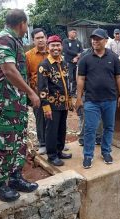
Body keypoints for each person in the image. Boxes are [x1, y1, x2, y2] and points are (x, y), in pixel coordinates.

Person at [0, 9, 39, 202]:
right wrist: (31, 92)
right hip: (5, 102)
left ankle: (14, 177)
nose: (27, 28)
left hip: (16, 102)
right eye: (27, 25)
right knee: (6, 144)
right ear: (22, 24)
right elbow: (9, 71)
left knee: (19, 142)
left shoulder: (14, 40)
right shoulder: (3, 40)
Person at [76, 28, 120, 169]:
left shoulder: (113, 58)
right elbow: (81, 79)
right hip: (91, 100)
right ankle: (88, 155)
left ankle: (106, 151)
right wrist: (79, 98)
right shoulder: (85, 59)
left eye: (98, 39)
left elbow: (119, 77)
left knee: (109, 127)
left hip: (110, 99)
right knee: (90, 128)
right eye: (93, 39)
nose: (95, 41)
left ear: (105, 40)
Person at [37, 35, 73, 166]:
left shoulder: (64, 63)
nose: (56, 48)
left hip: (63, 104)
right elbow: (42, 88)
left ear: (61, 47)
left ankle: (59, 151)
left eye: (58, 45)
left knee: (61, 128)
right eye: (53, 46)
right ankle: (51, 156)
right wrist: (46, 107)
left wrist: (69, 100)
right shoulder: (44, 65)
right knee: (51, 130)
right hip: (52, 105)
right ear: (48, 47)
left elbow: (67, 83)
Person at [25, 28, 48, 155]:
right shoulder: (28, 56)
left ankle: (56, 142)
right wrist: (30, 94)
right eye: (37, 38)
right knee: (40, 118)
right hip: (37, 93)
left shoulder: (53, 52)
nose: (40, 40)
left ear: (46, 38)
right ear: (33, 40)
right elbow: (26, 76)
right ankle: (43, 143)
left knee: (55, 118)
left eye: (42, 37)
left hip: (53, 93)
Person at [62, 29, 83, 97]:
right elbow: (66, 50)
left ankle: (73, 92)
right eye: (73, 32)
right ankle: (67, 91)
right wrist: (77, 54)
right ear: (69, 33)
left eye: (75, 32)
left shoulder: (78, 42)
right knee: (68, 77)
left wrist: (77, 58)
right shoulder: (65, 41)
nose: (75, 33)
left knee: (75, 78)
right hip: (68, 62)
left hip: (76, 63)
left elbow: (82, 51)